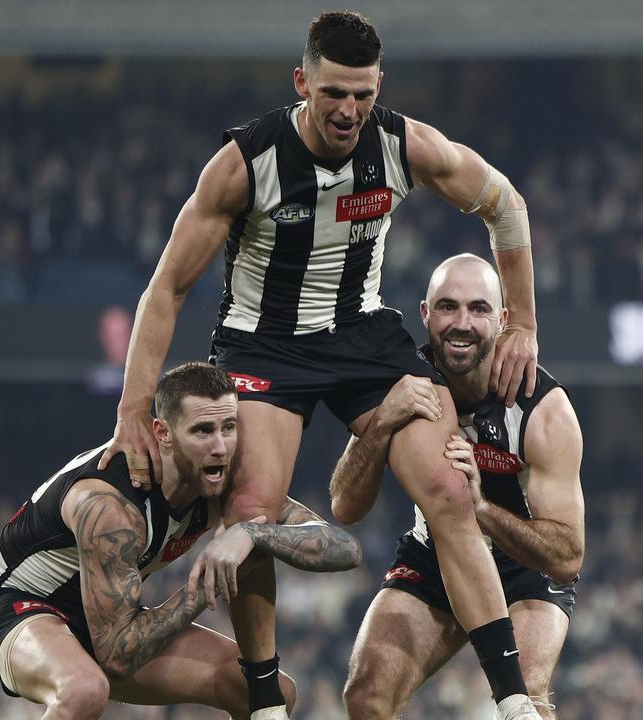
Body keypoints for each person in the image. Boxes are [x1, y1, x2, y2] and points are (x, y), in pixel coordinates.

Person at [99, 11, 544, 718]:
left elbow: (508, 208)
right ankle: (265, 703)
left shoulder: (405, 145)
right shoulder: (247, 163)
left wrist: (522, 322)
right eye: (333, 92)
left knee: (452, 490)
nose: (348, 110)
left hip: (364, 335)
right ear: (302, 81)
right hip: (263, 346)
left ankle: (515, 700)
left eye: (362, 95)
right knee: (250, 510)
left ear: (378, 88)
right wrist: (131, 412)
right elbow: (167, 289)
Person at [0, 362, 362, 720]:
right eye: (203, 431)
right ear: (163, 434)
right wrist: (200, 587)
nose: (220, 447)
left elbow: (344, 549)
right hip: (14, 604)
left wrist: (252, 531)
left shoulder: (222, 481)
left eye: (229, 427)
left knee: (270, 695)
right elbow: (118, 656)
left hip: (107, 618)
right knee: (83, 690)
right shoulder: (110, 505)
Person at [331, 254, 585, 719]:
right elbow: (345, 504)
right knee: (366, 696)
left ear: (503, 319)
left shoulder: (542, 409)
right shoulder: (403, 382)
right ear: (426, 315)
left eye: (478, 309)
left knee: (526, 694)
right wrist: (383, 419)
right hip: (433, 555)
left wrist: (483, 508)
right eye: (447, 307)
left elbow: (567, 558)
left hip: (522, 567)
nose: (461, 323)